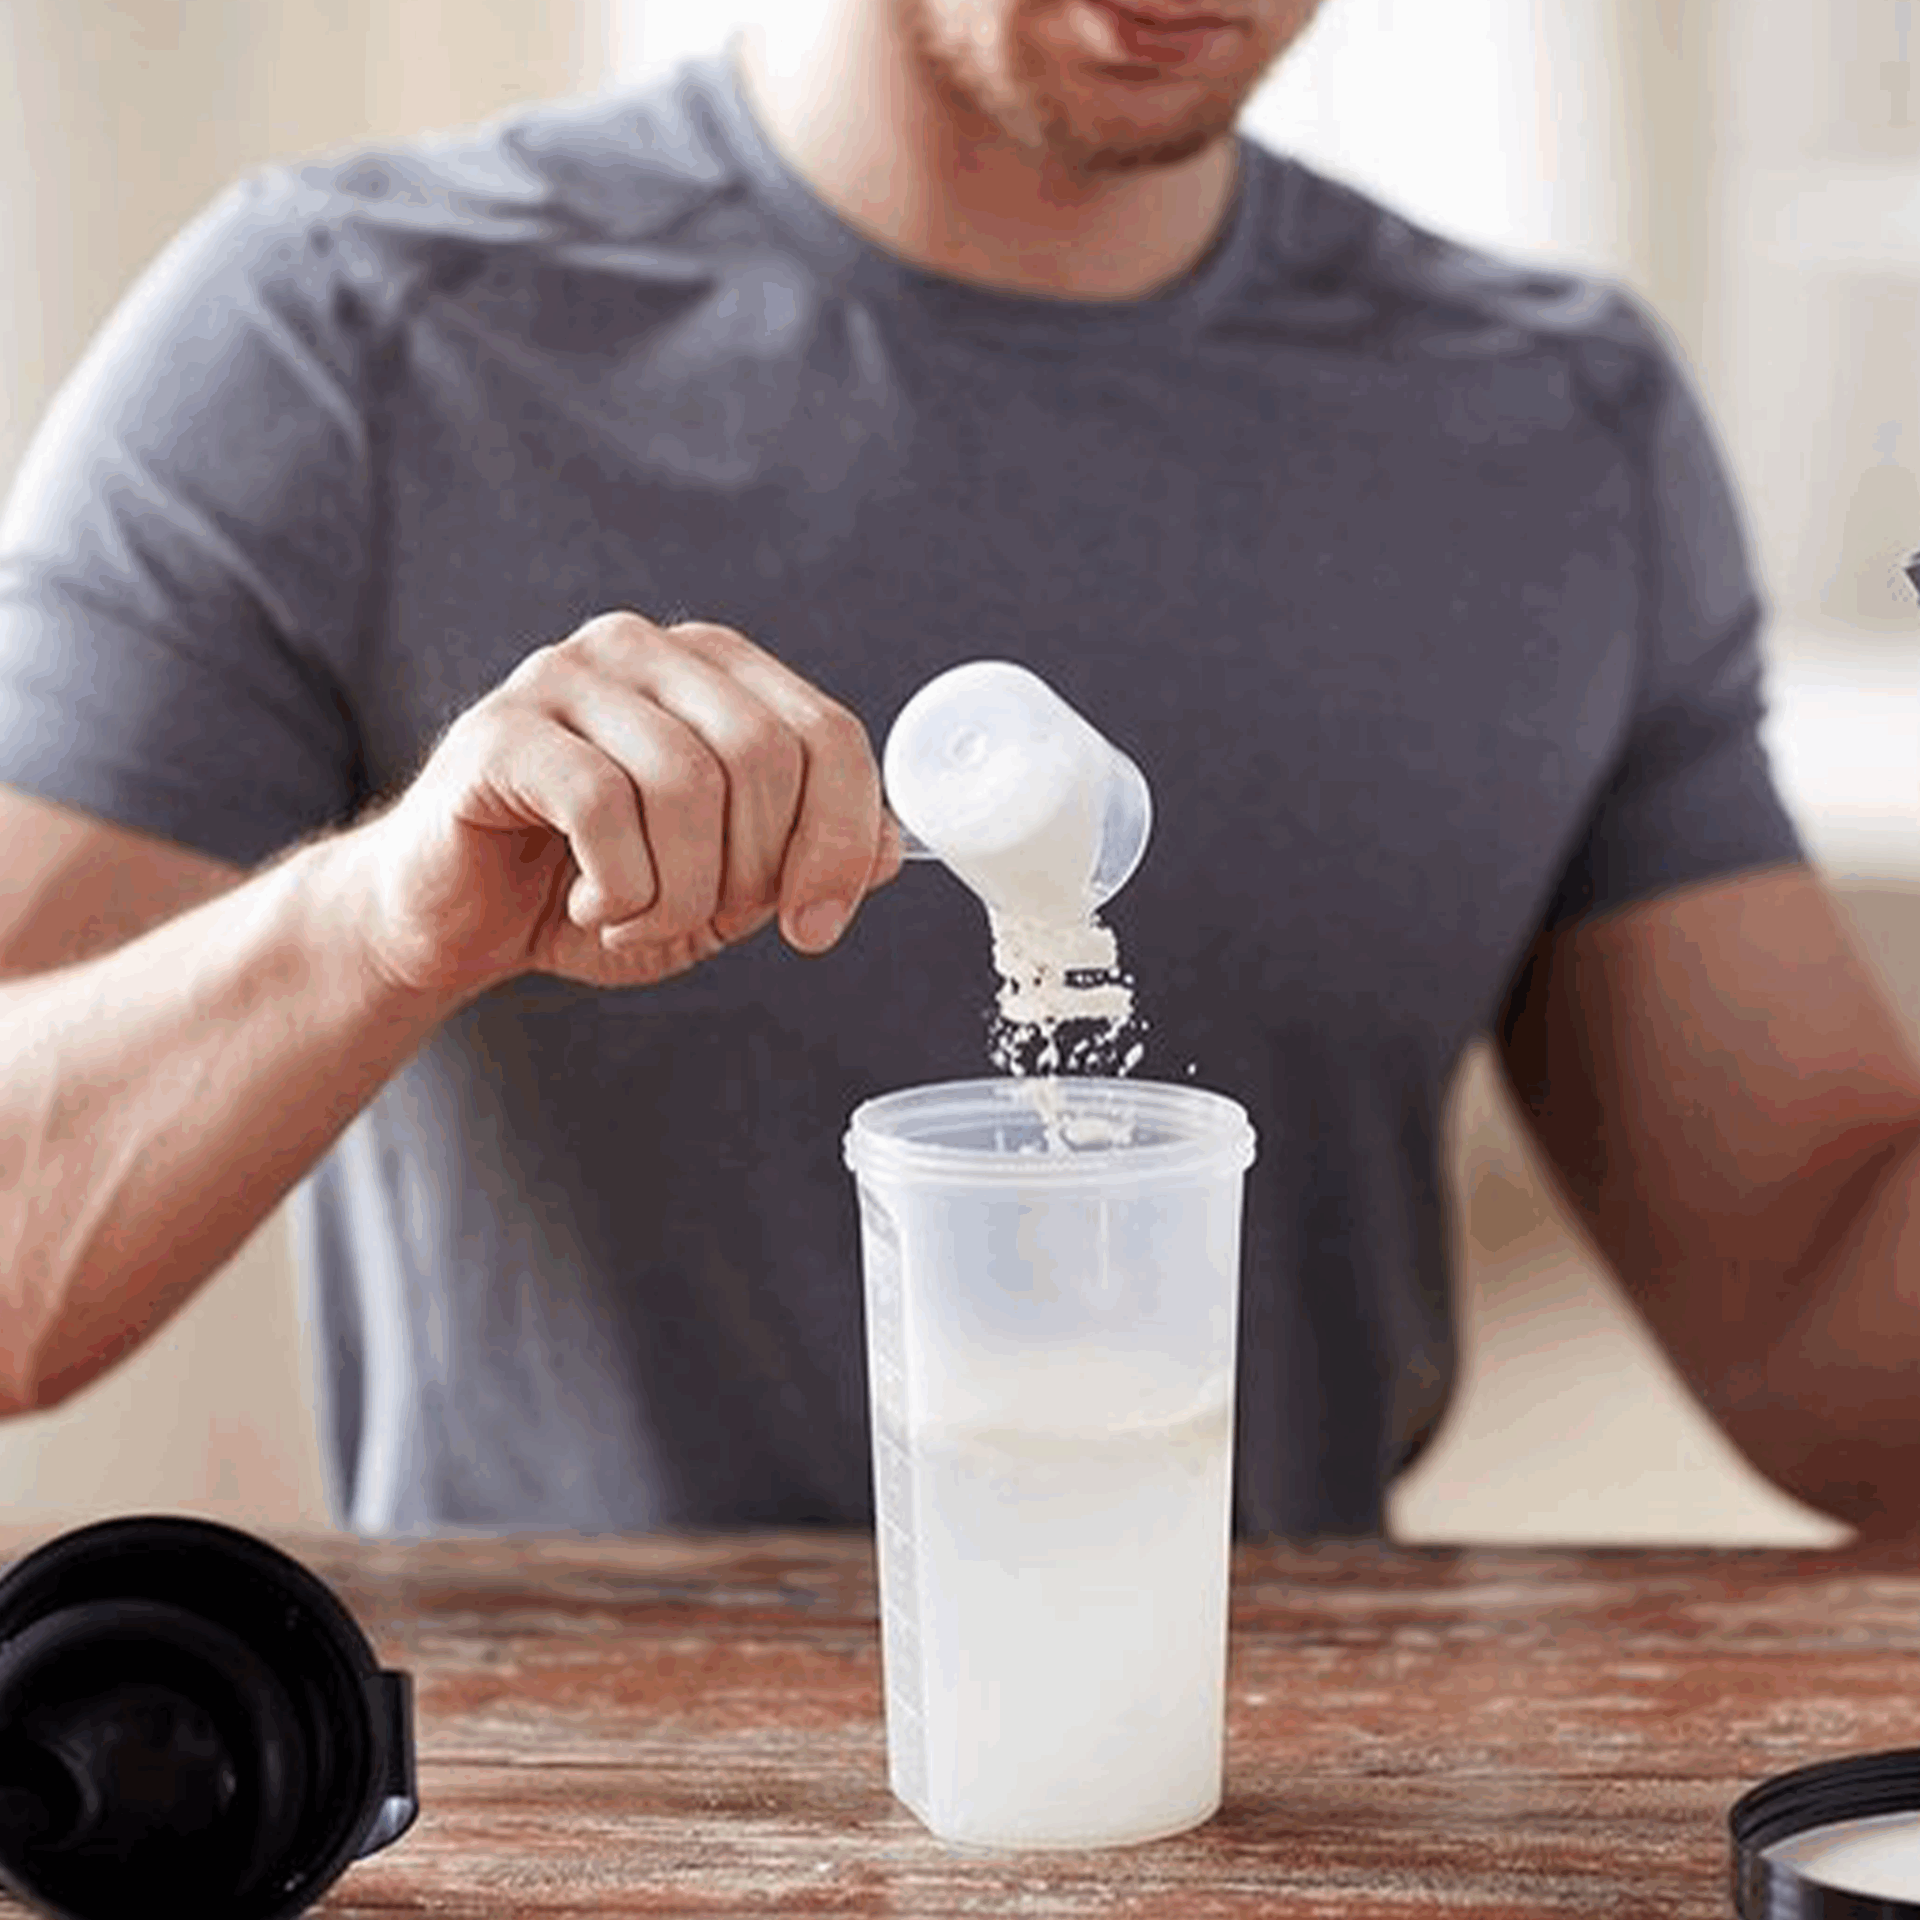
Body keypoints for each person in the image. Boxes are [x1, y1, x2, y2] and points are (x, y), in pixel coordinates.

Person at [1, 0, 1917, 1542]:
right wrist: (374, 918)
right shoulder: (345, 333)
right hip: (585, 1812)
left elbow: (1835, 1350)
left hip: (1265, 1794)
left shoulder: (1556, 431)